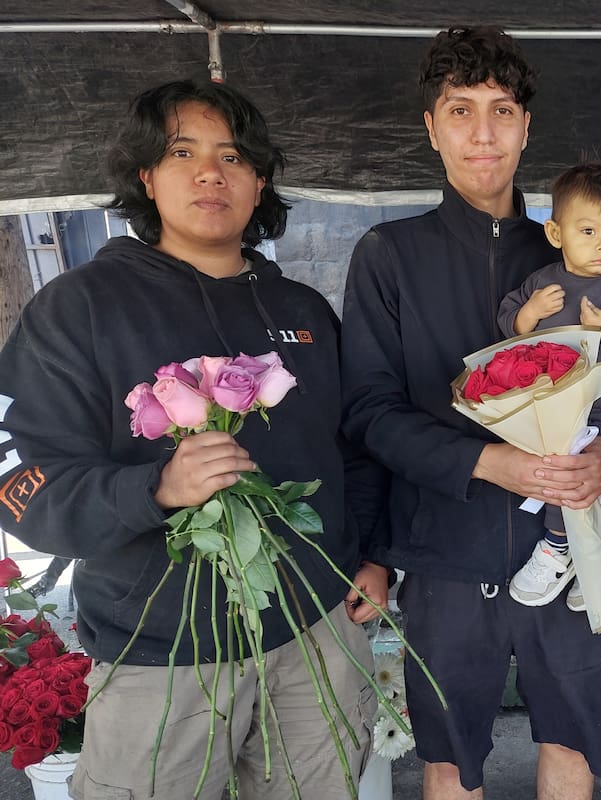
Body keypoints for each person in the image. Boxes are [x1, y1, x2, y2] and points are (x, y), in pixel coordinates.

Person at [0, 79, 390, 799]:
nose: (211, 172)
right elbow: (20, 482)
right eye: (184, 152)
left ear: (259, 181)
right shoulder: (79, 307)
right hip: (162, 655)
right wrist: (153, 489)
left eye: (234, 157)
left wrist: (368, 555)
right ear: (146, 175)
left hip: (314, 636)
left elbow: (357, 448)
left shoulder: (301, 310)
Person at [339, 26, 601, 799]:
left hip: (563, 546)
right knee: (448, 758)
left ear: (527, 126)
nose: (483, 133)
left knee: (572, 744)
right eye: (460, 111)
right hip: (442, 553)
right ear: (431, 127)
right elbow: (369, 411)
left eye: (502, 110)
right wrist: (487, 461)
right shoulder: (389, 255)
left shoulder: (577, 254)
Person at [498, 162, 601, 610]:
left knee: (598, 479)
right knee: (563, 473)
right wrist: (529, 313)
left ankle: (576, 551)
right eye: (589, 231)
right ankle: (579, 552)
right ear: (555, 233)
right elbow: (508, 329)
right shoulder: (542, 282)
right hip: (558, 409)